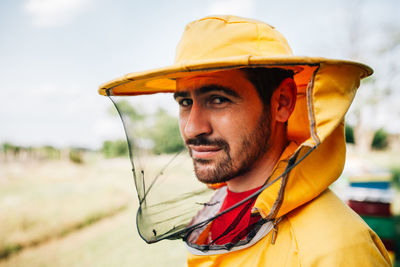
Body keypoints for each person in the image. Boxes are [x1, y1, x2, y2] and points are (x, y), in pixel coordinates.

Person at [99, 15, 391, 266]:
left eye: (217, 99)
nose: (192, 128)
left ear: (282, 102)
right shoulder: (214, 209)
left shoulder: (339, 250)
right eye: (185, 102)